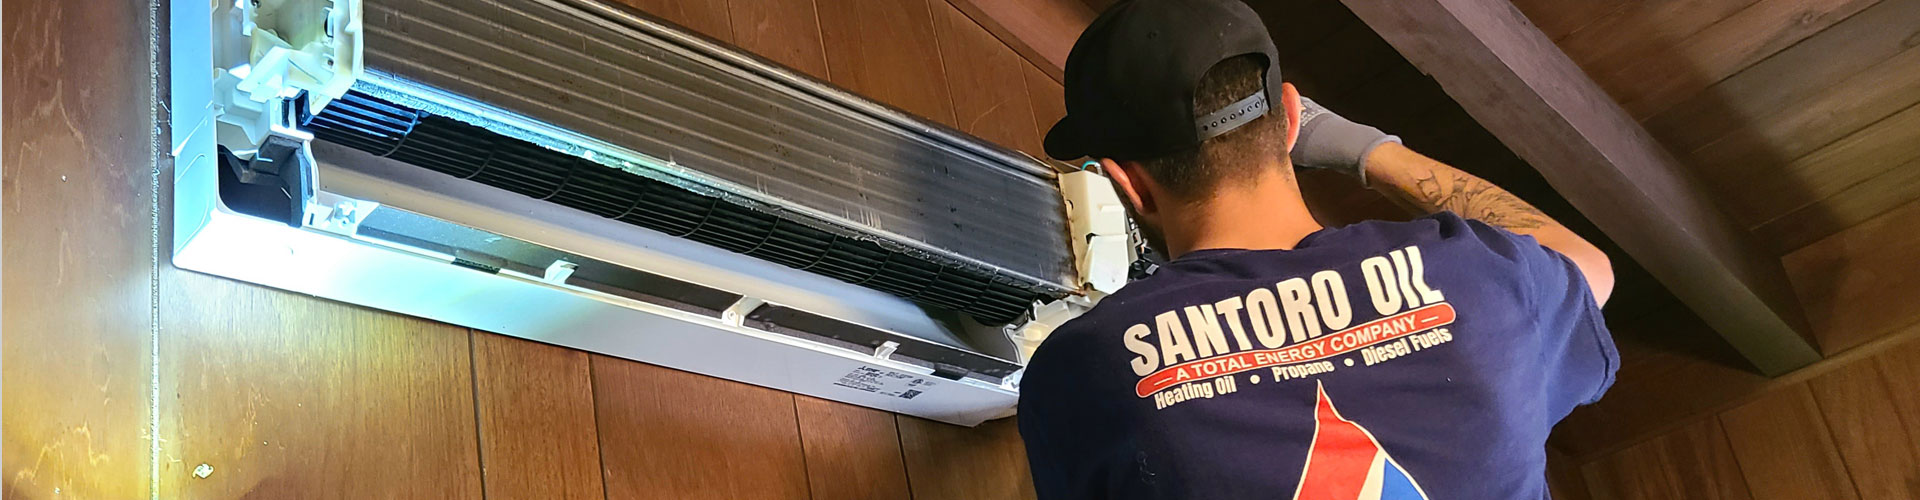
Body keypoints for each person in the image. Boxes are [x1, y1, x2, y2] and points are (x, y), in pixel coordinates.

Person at [1018, 1, 1618, 498]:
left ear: (1128, 183)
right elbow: (1590, 266)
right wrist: (1367, 149)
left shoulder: (1081, 370)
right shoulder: (1487, 280)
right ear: (1290, 119)